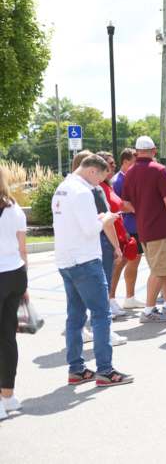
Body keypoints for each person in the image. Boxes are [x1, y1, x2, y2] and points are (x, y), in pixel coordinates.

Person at [52, 154, 133, 387]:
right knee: (101, 314)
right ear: (92, 171)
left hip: (66, 260)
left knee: (75, 316)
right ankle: (105, 370)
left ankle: (76, 369)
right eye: (100, 178)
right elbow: (90, 230)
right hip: (85, 259)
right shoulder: (82, 192)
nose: (99, 184)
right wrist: (106, 218)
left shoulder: (62, 188)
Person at [121, 136, 166, 323]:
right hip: (161, 228)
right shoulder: (160, 171)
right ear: (154, 150)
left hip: (144, 228)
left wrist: (142, 210)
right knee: (159, 270)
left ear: (136, 152)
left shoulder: (130, 172)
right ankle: (149, 310)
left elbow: (125, 204)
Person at [72, 151, 127, 347]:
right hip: (99, 243)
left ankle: (83, 330)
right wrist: (116, 246)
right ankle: (104, 332)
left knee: (78, 296)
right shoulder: (94, 190)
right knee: (101, 291)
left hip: (80, 247)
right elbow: (106, 221)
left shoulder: (71, 189)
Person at [0, 166, 28, 418]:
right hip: (15, 273)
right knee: (8, 338)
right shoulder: (15, 209)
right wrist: (25, 283)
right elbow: (22, 248)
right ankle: (8, 396)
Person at [97, 151, 131, 318]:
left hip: (115, 234)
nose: (113, 166)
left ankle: (111, 300)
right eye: (110, 164)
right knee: (106, 273)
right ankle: (106, 306)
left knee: (111, 272)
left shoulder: (107, 185)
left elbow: (119, 205)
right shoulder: (99, 188)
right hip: (106, 236)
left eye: (113, 164)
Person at [111, 148, 146, 311]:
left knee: (134, 261)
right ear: (125, 162)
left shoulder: (127, 178)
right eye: (133, 163)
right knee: (123, 263)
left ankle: (130, 297)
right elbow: (120, 205)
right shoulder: (119, 181)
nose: (136, 166)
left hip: (134, 226)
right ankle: (112, 298)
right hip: (128, 227)